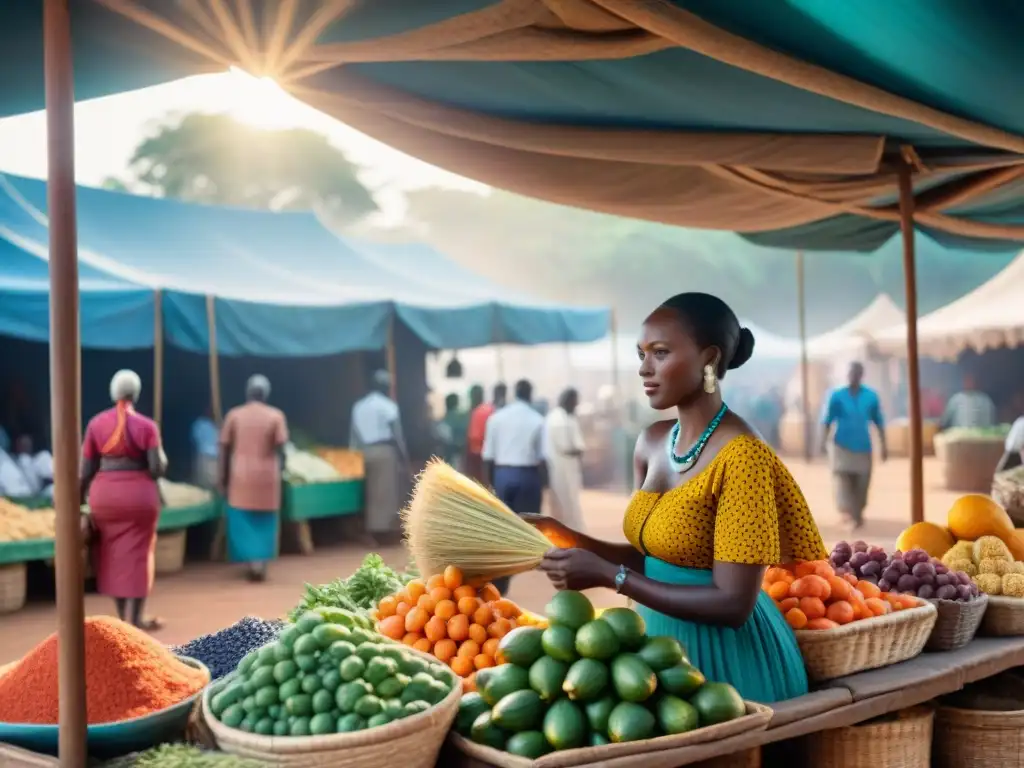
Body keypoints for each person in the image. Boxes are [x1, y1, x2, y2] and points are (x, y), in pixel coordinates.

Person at [531, 293, 827, 704]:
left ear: (709, 358)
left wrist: (608, 577)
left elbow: (733, 602)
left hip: (724, 668)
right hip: (653, 653)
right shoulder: (652, 442)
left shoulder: (742, 456)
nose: (643, 368)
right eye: (641, 353)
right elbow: (652, 558)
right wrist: (566, 537)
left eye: (660, 352)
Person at [80, 370, 166, 630]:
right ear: (136, 394)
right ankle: (135, 618)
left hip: (104, 497)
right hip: (139, 497)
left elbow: (85, 471)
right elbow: (156, 468)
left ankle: (122, 620)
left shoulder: (96, 424)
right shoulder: (147, 426)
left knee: (111, 555)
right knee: (138, 555)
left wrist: (75, 502)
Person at [219, 375, 289, 582]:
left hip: (240, 475)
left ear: (247, 393)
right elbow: (282, 448)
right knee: (266, 521)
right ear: (266, 394)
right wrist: (282, 470)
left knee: (242, 519)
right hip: (267, 476)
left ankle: (251, 561)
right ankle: (261, 562)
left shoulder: (234, 415)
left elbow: (224, 448)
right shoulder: (276, 416)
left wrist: (222, 477)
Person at [483, 379, 546, 595]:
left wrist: (491, 483)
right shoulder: (537, 419)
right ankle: (525, 561)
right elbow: (542, 457)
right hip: (527, 474)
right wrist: (543, 483)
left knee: (502, 522)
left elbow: (488, 456)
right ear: (529, 395)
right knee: (528, 521)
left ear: (514, 393)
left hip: (502, 473)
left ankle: (503, 565)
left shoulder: (496, 418)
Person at [821, 362, 887, 529]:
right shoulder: (836, 395)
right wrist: (822, 441)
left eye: (857, 373)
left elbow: (878, 421)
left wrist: (884, 445)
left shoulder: (871, 396)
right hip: (841, 444)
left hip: (863, 445)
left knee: (862, 482)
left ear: (861, 375)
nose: (853, 376)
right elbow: (827, 420)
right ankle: (849, 513)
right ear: (846, 374)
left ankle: (858, 513)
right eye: (851, 372)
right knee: (843, 480)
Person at [349, 370, 408, 541]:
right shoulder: (388, 406)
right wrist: (403, 455)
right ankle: (382, 531)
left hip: (363, 451)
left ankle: (370, 529)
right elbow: (397, 434)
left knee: (368, 491)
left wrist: (354, 454)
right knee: (384, 492)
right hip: (384, 450)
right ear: (386, 387)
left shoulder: (358, 406)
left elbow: (353, 435)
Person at [544, 388, 585, 531]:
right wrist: (579, 451)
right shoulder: (559, 420)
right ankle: (570, 534)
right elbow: (565, 447)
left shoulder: (564, 417)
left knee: (567, 503)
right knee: (566, 504)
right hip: (562, 468)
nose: (576, 405)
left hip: (564, 467)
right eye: (575, 401)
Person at [465, 383, 505, 484]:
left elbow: (472, 437)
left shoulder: (479, 411)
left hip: (479, 455)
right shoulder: (491, 411)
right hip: (489, 457)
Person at [190, 407, 220, 491]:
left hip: (209, 454)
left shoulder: (214, 424)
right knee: (209, 479)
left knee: (207, 479)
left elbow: (194, 439)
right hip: (209, 454)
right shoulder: (204, 424)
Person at [440, 393, 469, 468]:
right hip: (460, 454)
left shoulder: (444, 420)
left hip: (448, 455)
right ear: (456, 403)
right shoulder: (462, 418)